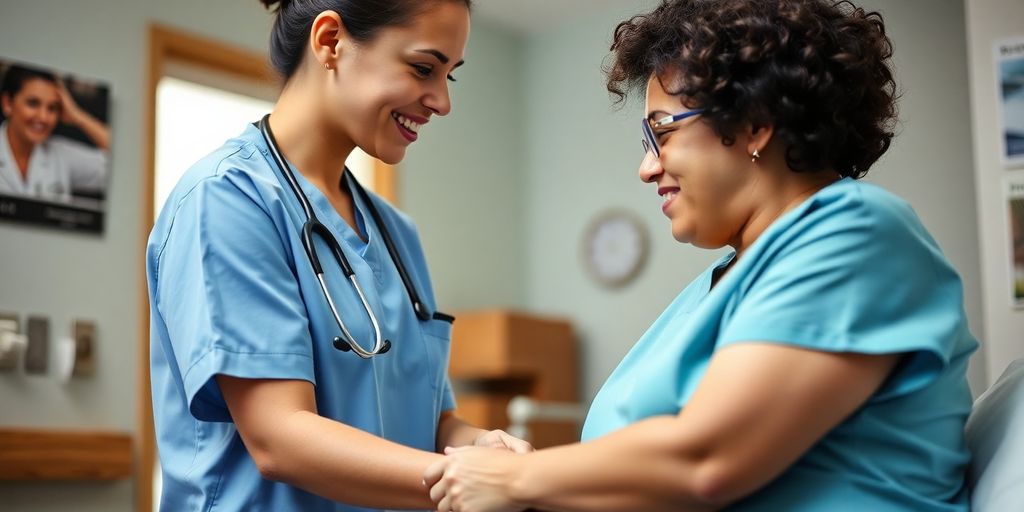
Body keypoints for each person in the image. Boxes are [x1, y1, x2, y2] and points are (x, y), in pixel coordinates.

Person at [423, 1, 978, 511]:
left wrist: (518, 479)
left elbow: (708, 459)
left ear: (755, 123)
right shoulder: (724, 278)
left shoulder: (855, 233)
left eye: (662, 132)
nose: (646, 168)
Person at [146, 1, 531, 511]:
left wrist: (480, 445)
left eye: (449, 76)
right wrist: (468, 480)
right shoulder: (225, 200)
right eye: (423, 68)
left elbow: (432, 421)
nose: (442, 102)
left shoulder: (396, 234)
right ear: (330, 41)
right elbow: (279, 438)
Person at [0, 64, 109, 201]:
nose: (43, 117)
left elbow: (125, 165)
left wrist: (77, 116)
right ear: (7, 103)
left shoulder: (61, 155)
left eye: (52, 108)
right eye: (33, 103)